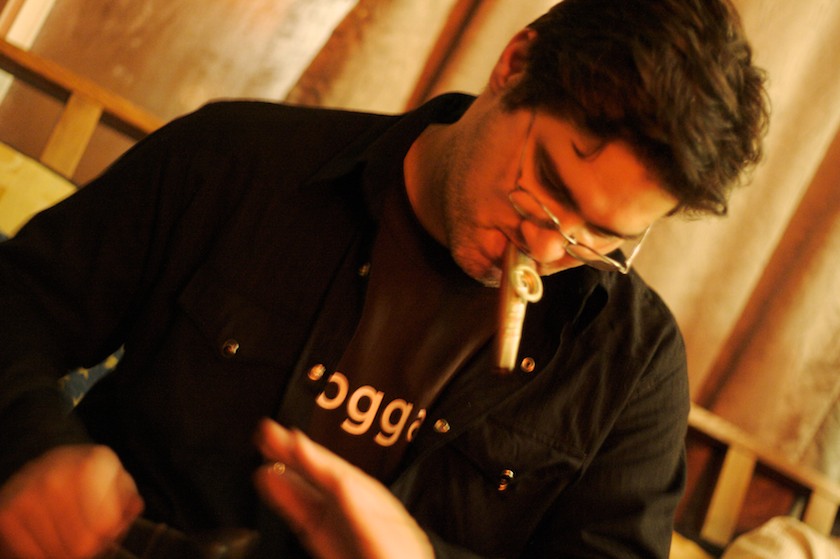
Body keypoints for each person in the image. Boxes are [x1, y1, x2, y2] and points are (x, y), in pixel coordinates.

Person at [0, 0, 769, 557]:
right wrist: (36, 446)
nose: (544, 245)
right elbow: (17, 305)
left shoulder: (634, 364)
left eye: (602, 237)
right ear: (514, 66)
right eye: (548, 184)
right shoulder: (236, 159)